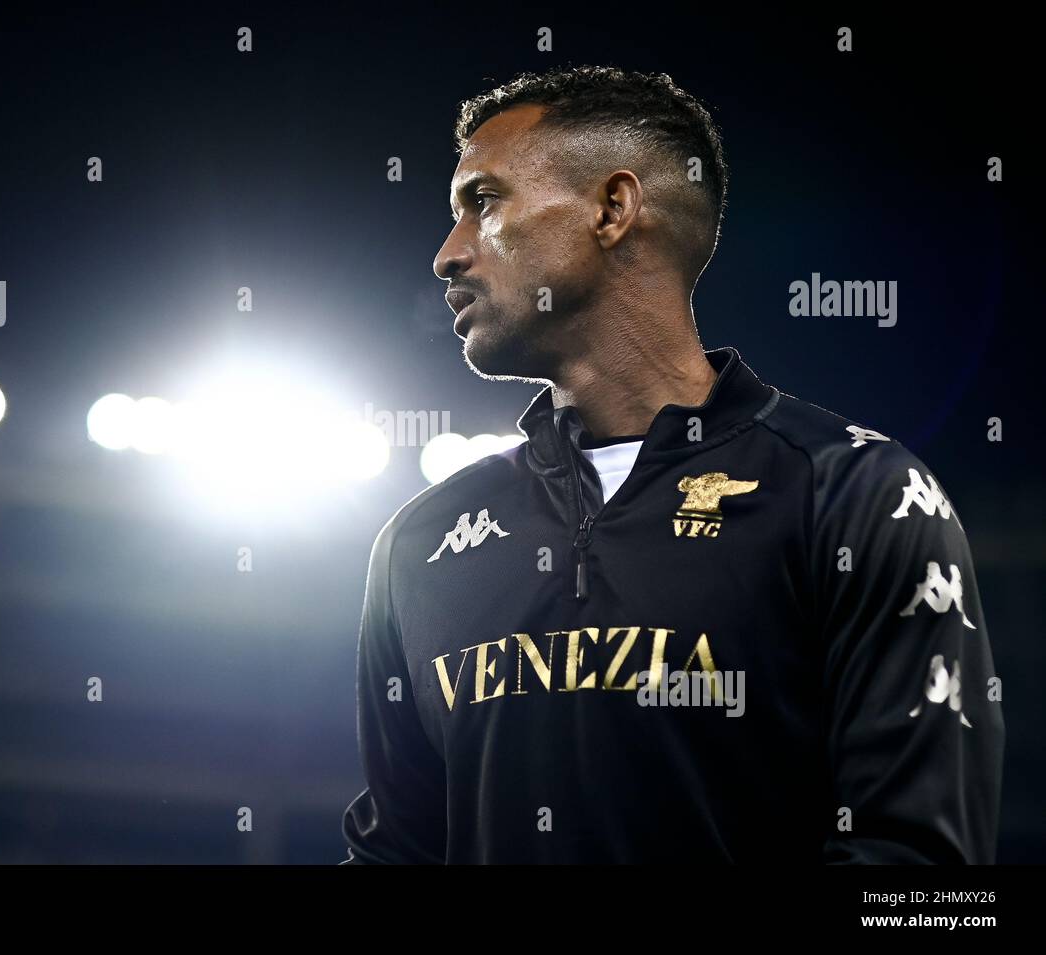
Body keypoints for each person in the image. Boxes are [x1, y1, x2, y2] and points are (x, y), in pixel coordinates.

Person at [340, 65, 1004, 863]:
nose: (447, 255)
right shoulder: (421, 542)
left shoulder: (855, 495)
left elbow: (920, 883)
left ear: (612, 209)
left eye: (482, 203)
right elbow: (396, 855)